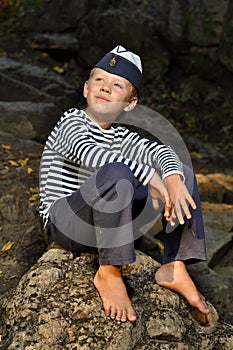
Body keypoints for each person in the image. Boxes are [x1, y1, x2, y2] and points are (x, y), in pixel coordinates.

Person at [39, 45, 210, 323]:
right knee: (117, 172)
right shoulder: (71, 122)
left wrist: (170, 177)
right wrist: (149, 176)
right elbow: (92, 155)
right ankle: (109, 271)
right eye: (99, 80)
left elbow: (162, 152)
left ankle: (175, 265)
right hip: (67, 221)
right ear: (85, 89)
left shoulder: (123, 137)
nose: (105, 87)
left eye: (116, 85)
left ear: (129, 103)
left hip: (106, 223)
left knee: (183, 174)